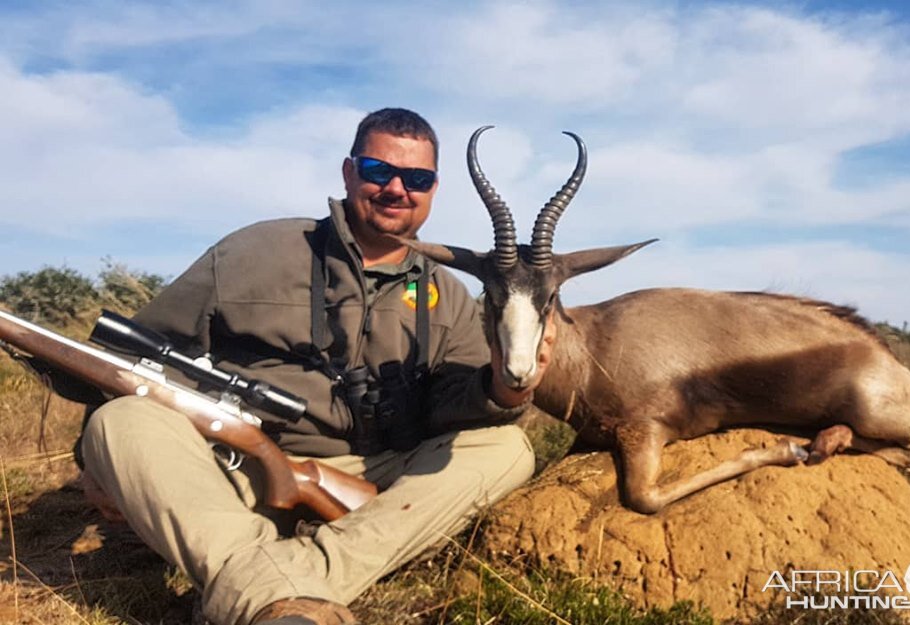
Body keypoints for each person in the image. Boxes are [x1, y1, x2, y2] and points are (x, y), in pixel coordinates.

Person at [77, 108, 554, 625]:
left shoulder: (449, 295)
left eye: (416, 179)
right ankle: (293, 586)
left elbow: (453, 406)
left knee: (506, 448)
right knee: (120, 421)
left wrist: (502, 392)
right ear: (349, 173)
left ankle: (263, 580)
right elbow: (136, 354)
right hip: (236, 467)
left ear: (433, 189)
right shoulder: (253, 252)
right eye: (378, 171)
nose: (396, 188)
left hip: (379, 475)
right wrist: (97, 459)